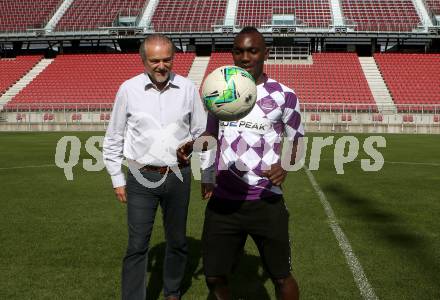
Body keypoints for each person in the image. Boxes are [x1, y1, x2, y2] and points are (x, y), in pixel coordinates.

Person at [200, 27, 304, 300]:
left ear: (265, 53)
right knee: (213, 275)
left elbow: (297, 142)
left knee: (281, 277)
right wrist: (207, 175)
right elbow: (210, 136)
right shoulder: (218, 90)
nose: (245, 57)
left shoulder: (284, 95)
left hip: (265, 199)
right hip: (224, 199)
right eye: (239, 51)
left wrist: (286, 166)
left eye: (252, 50)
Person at [103, 34, 206, 300]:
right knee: (137, 246)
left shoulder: (187, 88)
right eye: (154, 61)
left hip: (178, 176)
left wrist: (204, 167)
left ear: (174, 58)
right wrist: (117, 177)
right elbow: (114, 135)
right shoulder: (128, 89)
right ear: (143, 61)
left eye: (167, 59)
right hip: (140, 177)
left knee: (178, 242)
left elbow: (202, 133)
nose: (161, 66)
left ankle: (172, 292)